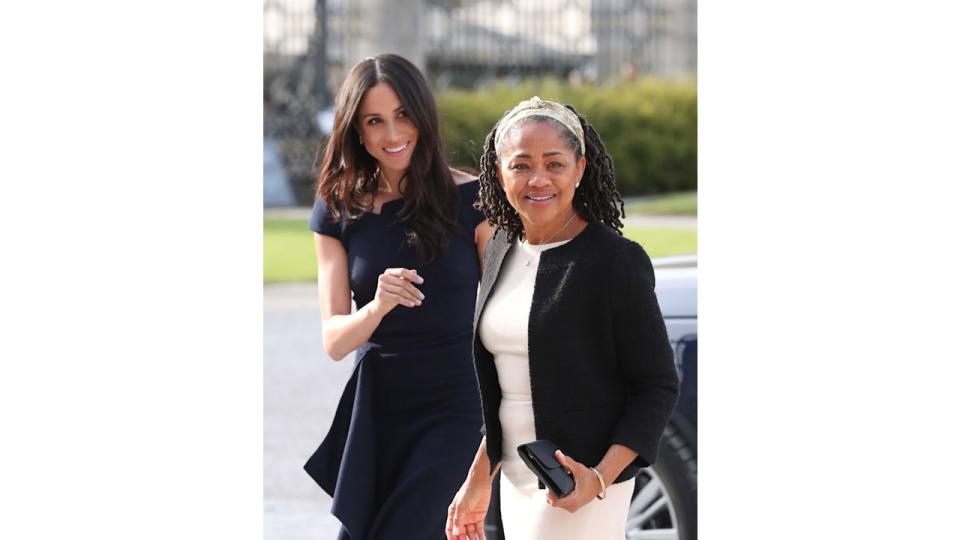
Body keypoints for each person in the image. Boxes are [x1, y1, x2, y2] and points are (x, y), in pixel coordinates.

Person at [445, 97, 680, 540]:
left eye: (555, 164)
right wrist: (479, 479)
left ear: (579, 168)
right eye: (521, 165)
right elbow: (509, 388)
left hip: (578, 483)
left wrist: (598, 478)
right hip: (516, 480)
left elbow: (656, 386)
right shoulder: (499, 249)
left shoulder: (615, 262)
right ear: (498, 172)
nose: (538, 179)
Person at [303, 54, 494, 540]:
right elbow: (335, 341)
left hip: (456, 409)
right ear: (356, 131)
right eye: (375, 121)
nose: (392, 134)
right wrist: (377, 305)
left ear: (423, 116)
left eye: (402, 115)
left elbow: (508, 315)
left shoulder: (475, 201)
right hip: (378, 410)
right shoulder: (338, 209)